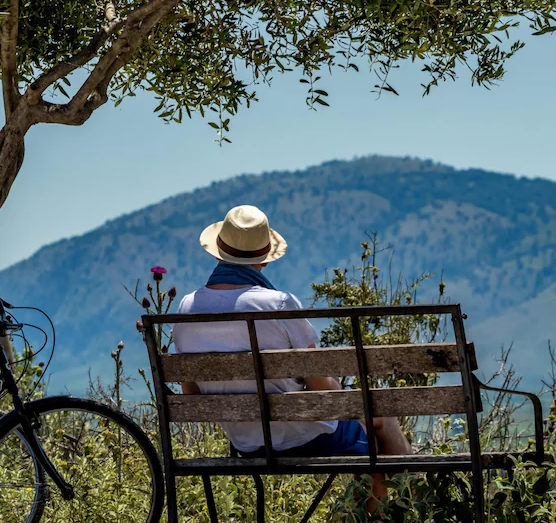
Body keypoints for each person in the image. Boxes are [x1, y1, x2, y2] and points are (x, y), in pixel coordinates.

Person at [171, 204, 412, 499]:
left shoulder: (186, 308)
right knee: (381, 423)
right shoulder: (280, 304)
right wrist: (343, 395)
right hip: (304, 436)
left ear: (217, 251)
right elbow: (322, 387)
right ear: (264, 260)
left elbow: (192, 395)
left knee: (365, 438)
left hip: (247, 443)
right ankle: (405, 508)